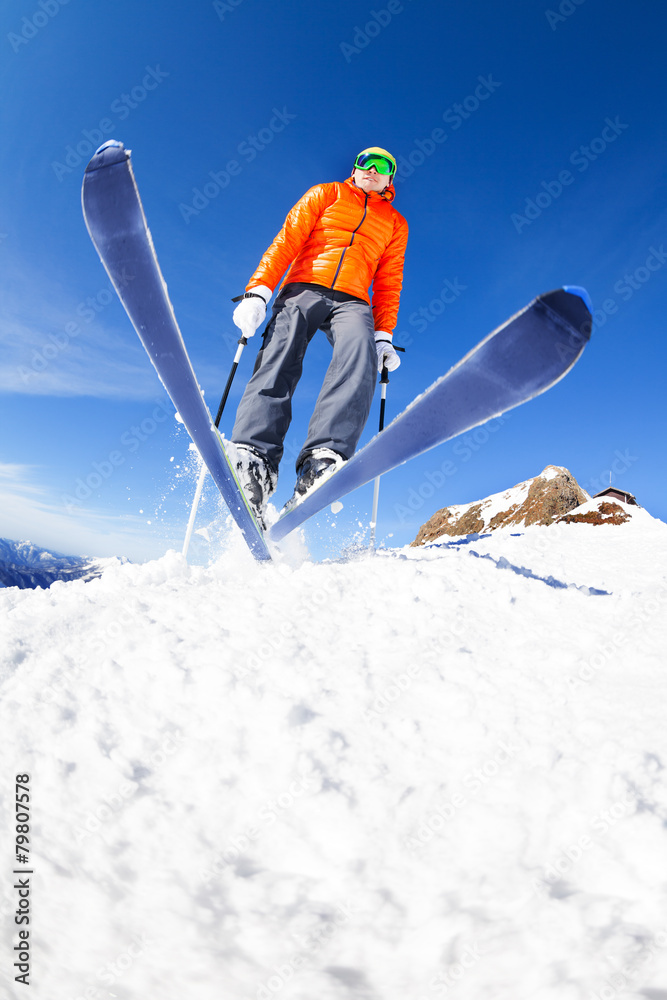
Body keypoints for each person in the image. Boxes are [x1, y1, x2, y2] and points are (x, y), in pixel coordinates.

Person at [229, 146, 408, 525]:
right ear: (356, 169)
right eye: (366, 162)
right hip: (304, 286)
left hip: (355, 300)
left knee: (360, 356)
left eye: (384, 166)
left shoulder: (395, 223)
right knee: (281, 349)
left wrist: (384, 335)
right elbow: (286, 241)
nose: (373, 170)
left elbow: (390, 281)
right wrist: (258, 290)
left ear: (391, 178)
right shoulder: (325, 194)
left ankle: (323, 461)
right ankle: (255, 459)